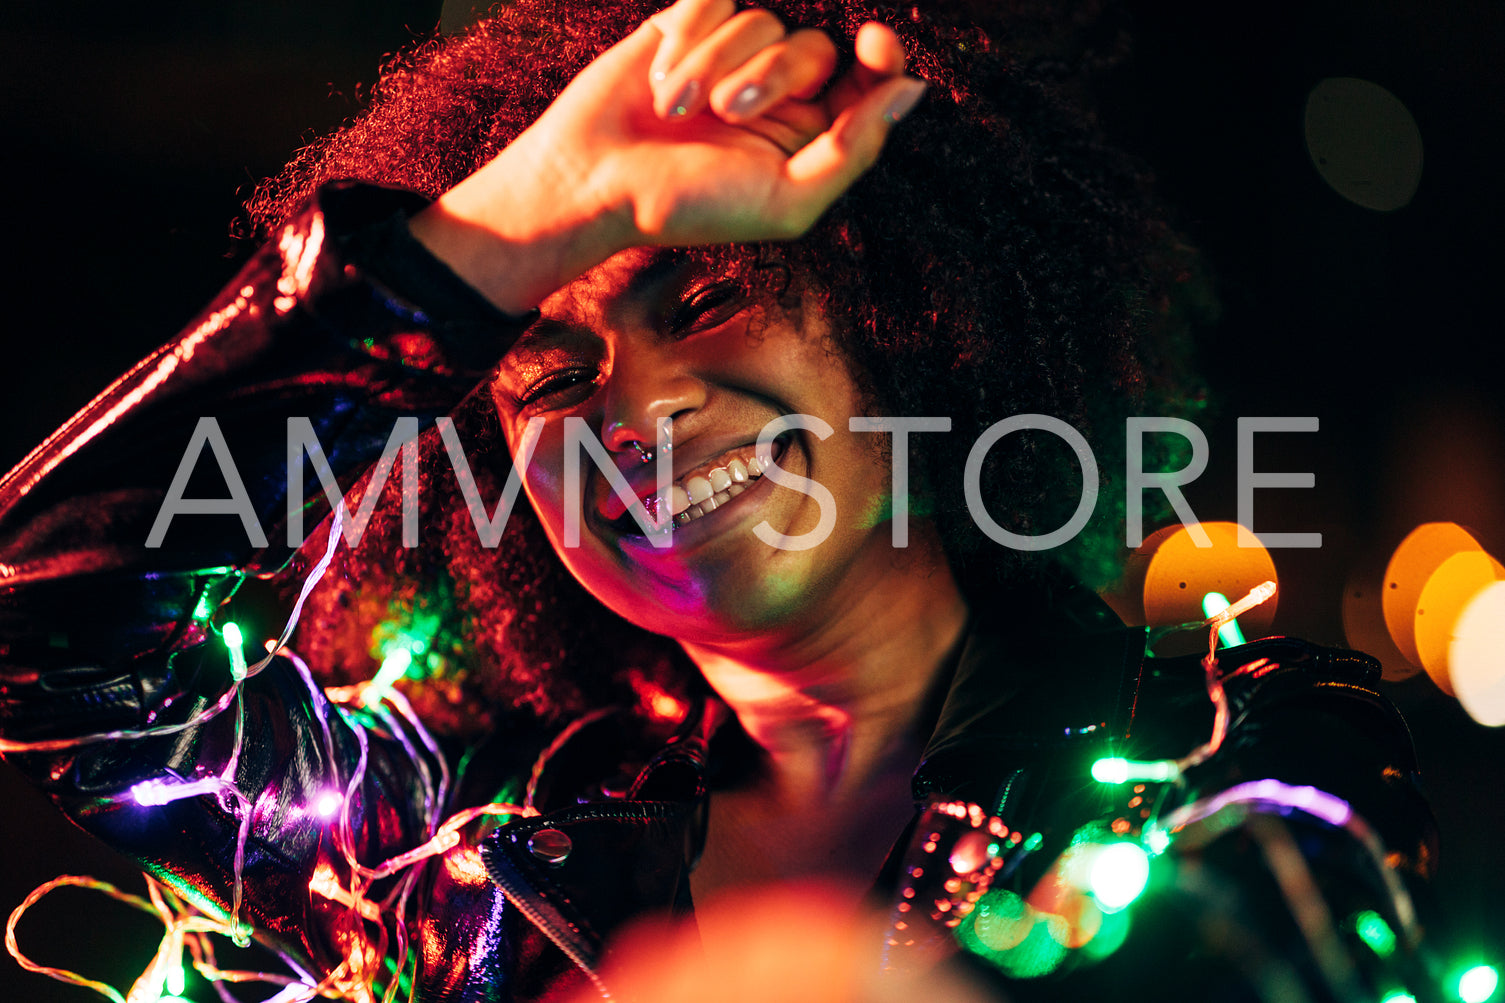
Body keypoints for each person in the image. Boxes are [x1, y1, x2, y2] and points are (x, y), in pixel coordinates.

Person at [0, 1, 1436, 1001]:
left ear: (913, 328)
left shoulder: (1228, 754)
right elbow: (49, 639)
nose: (636, 411)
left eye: (713, 298)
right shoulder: (448, 852)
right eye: (550, 381)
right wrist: (499, 233)